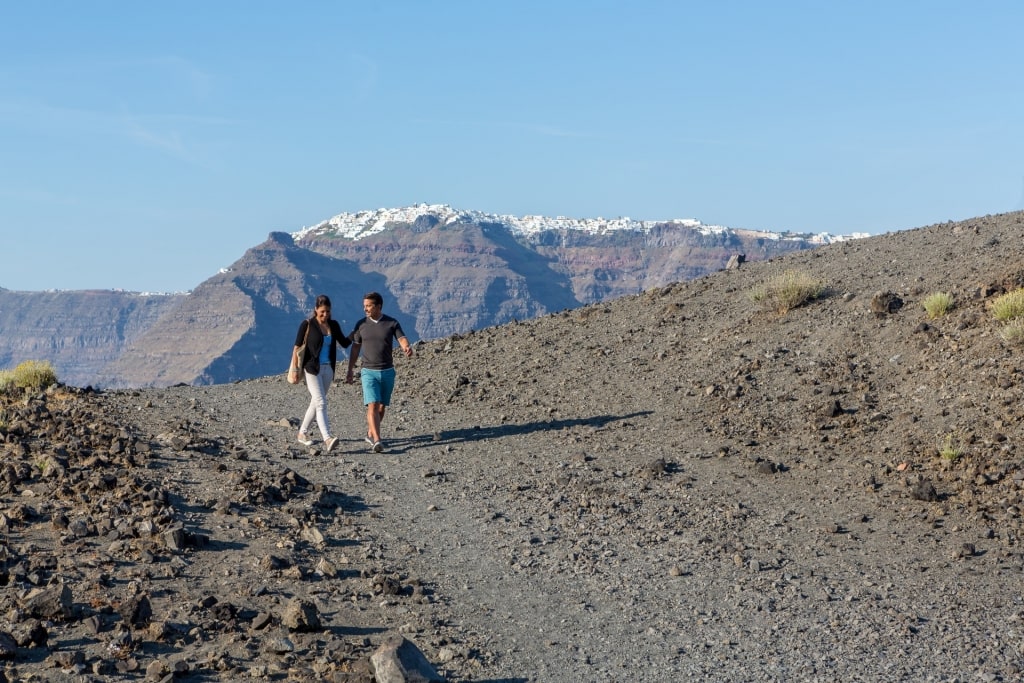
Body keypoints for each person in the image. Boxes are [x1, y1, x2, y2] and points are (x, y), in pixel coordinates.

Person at [345, 291, 413, 453]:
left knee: (381, 407)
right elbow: (355, 348)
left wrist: (406, 346)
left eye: (369, 306)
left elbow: (401, 338)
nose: (365, 309)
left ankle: (370, 433)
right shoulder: (361, 324)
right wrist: (350, 369)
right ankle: (377, 440)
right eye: (364, 306)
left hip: (387, 371)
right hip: (368, 371)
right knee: (373, 405)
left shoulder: (391, 323)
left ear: (379, 306)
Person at [292, 294, 351, 452]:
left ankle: (301, 433)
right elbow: (297, 347)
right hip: (311, 368)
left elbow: (344, 343)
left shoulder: (333, 325)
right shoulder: (307, 324)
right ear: (316, 309)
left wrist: (358, 332)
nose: (325, 315)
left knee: (316, 402)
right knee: (321, 402)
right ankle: (327, 438)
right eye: (322, 311)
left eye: (328, 311)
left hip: (328, 369)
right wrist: (295, 369)